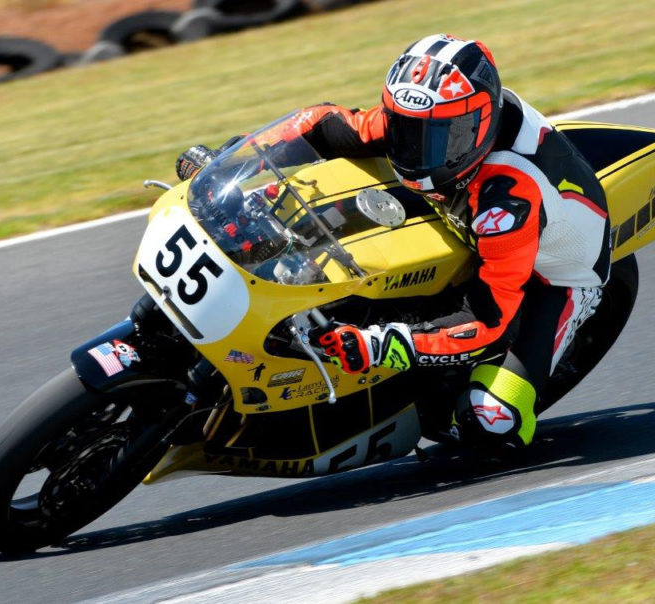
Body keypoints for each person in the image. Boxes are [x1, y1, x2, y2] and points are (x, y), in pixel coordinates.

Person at [176, 34, 611, 453]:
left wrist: (383, 345)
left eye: (439, 138)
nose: (418, 148)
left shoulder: (507, 200)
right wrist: (236, 162)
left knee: (492, 422)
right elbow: (324, 124)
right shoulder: (432, 118)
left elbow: (486, 320)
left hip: (549, 276)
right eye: (406, 129)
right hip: (458, 210)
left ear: (475, 127)